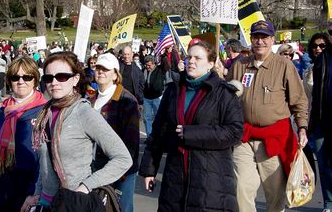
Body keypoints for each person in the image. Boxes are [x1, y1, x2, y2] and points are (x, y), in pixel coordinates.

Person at [139, 41, 244, 211]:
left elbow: (235, 131)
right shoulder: (174, 90)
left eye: (198, 58)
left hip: (210, 178)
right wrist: (149, 169)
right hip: (175, 175)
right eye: (189, 57)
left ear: (211, 64)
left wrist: (193, 133)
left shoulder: (224, 93)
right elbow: (158, 132)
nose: (191, 61)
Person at [20, 52, 132, 211]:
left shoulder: (84, 113)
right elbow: (45, 162)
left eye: (62, 77)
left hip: (74, 203)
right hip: (47, 203)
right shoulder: (45, 114)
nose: (54, 82)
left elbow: (123, 158)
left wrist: (86, 186)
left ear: (75, 79)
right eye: (48, 78)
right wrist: (36, 195)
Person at [226, 20, 308, 212]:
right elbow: (225, 96)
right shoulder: (240, 65)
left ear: (272, 40)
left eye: (264, 37)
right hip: (244, 138)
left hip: (273, 139)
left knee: (275, 194)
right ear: (251, 39)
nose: (260, 41)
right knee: (240, 188)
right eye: (256, 37)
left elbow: (299, 100)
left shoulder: (284, 66)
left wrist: (302, 127)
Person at [0, 56, 47, 212]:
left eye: (27, 77)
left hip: (25, 194)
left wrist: (34, 192)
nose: (21, 81)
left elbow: (45, 160)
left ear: (35, 79)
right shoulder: (0, 113)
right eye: (15, 77)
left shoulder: (45, 113)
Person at [89, 53, 140, 212]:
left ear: (115, 75)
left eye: (105, 69)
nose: (100, 72)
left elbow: (132, 143)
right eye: (98, 68)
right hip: (93, 168)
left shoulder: (127, 101)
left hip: (120, 171)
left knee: (120, 209)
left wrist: (121, 173)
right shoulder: (90, 99)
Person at [309, 33, 332, 211]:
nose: (319, 49)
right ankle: (328, 203)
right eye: (315, 46)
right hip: (318, 121)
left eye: (322, 46)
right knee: (323, 165)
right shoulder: (319, 62)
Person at [142, 55, 165, 138]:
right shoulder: (143, 71)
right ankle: (149, 137)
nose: (147, 67)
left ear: (154, 64)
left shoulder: (159, 70)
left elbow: (166, 63)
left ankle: (159, 136)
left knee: (158, 117)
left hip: (157, 97)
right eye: (146, 65)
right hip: (146, 98)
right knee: (147, 118)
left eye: (149, 65)